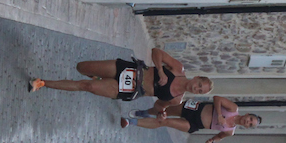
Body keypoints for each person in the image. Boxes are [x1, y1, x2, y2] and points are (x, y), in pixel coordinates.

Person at [29, 48, 211, 104]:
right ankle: (96, 77)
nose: (196, 88)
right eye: (199, 85)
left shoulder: (177, 100)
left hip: (129, 89)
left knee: (86, 86)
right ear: (197, 78)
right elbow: (156, 52)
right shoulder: (178, 69)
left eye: (199, 91)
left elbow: (159, 106)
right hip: (131, 70)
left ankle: (41, 83)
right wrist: (161, 71)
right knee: (81, 67)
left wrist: (161, 114)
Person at [122, 97, 261, 143]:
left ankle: (131, 122)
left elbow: (220, 136)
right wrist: (219, 115)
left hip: (195, 124)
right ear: (247, 114)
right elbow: (217, 98)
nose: (247, 122)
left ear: (247, 127)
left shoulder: (230, 132)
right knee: (164, 111)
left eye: (250, 124)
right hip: (195, 109)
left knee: (165, 122)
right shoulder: (233, 108)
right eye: (250, 119)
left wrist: (212, 140)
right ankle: (145, 112)